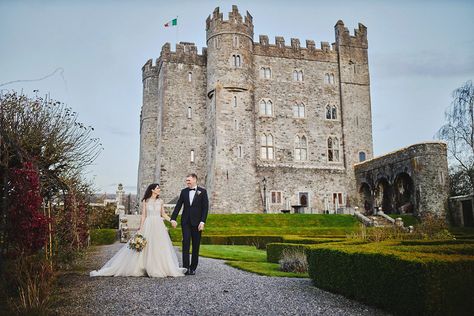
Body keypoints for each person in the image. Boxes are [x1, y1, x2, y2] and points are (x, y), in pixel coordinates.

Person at [90, 183, 186, 277]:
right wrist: (141, 227)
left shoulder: (160, 201)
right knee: (147, 245)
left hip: (158, 225)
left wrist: (172, 220)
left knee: (158, 245)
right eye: (157, 188)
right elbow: (144, 215)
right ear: (152, 190)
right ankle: (143, 266)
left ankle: (158, 266)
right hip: (148, 224)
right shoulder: (146, 200)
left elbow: (163, 214)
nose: (159, 189)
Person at [170, 173, 209, 275]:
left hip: (197, 223)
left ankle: (193, 267)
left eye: (189, 180)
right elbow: (178, 206)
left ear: (195, 180)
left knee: (196, 246)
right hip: (186, 222)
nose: (187, 182)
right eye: (186, 180)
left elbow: (205, 208)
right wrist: (173, 218)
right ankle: (186, 267)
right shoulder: (184, 192)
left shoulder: (203, 192)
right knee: (185, 244)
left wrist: (202, 222)